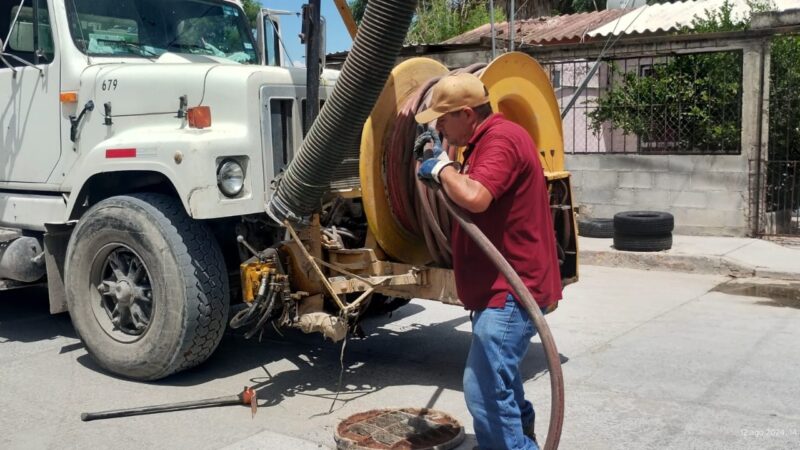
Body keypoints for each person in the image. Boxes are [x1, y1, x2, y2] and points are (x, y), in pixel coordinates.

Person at [413, 73, 562, 450]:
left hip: (512, 290)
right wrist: (442, 168)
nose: (439, 127)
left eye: (444, 119)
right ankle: (518, 436)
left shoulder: (502, 139)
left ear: (467, 113)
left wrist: (442, 167)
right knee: (501, 380)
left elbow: (477, 197)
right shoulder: (481, 144)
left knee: (481, 388)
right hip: (498, 289)